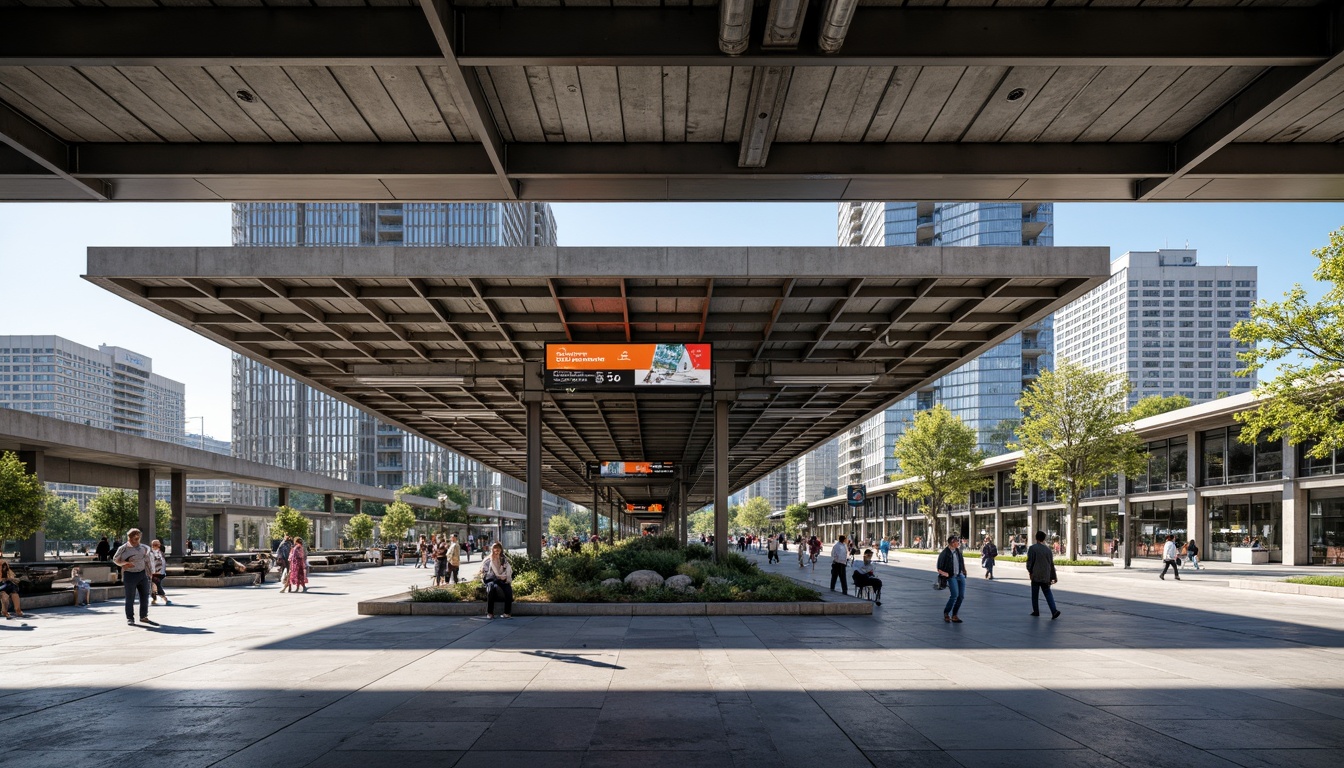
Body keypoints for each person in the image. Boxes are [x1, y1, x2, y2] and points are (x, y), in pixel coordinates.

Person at [112, 528, 155, 626]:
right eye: (134, 538)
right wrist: (124, 563)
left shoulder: (144, 548)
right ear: (129, 538)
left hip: (143, 574)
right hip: (130, 575)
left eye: (138, 538)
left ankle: (143, 616)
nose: (136, 541)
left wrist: (151, 573)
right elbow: (115, 559)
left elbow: (148, 560)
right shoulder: (123, 548)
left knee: (145, 596)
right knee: (130, 598)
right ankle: (130, 618)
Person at [1026, 531, 1061, 619]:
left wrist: (1030, 571)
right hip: (1046, 575)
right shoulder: (1048, 550)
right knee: (1047, 592)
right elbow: (1051, 564)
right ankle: (1054, 611)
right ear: (1044, 539)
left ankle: (1036, 611)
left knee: (1035, 594)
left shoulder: (1032, 548)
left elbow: (1030, 562)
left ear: (1036, 538)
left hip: (1036, 575)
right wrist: (1053, 577)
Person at [935, 535, 967, 623]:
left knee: (961, 596)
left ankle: (955, 615)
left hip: (960, 575)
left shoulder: (958, 551)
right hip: (952, 576)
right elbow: (939, 568)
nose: (958, 543)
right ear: (952, 543)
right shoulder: (944, 553)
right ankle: (946, 613)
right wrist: (947, 574)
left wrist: (964, 571)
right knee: (954, 595)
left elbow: (961, 561)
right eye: (957, 542)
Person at [480, 541, 514, 619]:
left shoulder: (504, 559)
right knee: (491, 589)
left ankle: (507, 613)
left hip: (502, 578)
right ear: (492, 551)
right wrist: (496, 576)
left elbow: (508, 569)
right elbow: (484, 572)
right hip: (491, 578)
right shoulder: (488, 560)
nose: (496, 552)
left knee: (508, 589)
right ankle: (490, 612)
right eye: (495, 551)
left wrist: (504, 576)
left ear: (501, 550)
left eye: (498, 550)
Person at [149, 539, 170, 605]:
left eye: (158, 545)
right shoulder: (150, 553)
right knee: (157, 585)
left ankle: (154, 599)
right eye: (154, 545)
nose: (156, 546)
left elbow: (162, 562)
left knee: (154, 586)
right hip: (154, 573)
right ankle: (164, 598)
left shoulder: (161, 552)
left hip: (161, 573)